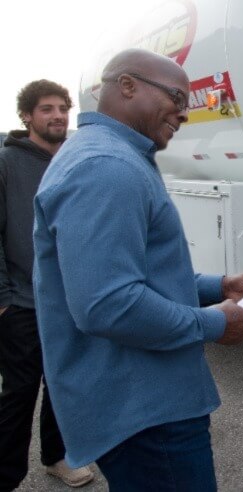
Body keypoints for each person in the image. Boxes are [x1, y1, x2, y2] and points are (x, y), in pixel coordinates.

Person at [32, 49, 243, 491]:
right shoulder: (105, 167)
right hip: (145, 409)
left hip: (141, 401)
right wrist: (214, 323)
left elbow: (137, 276)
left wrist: (218, 286)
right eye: (177, 98)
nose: (184, 113)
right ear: (127, 86)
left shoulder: (109, 155)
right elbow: (107, 304)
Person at [0, 80, 95, 490]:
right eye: (46, 109)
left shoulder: (74, 160)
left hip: (69, 301)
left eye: (62, 108)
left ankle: (57, 457)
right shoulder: (6, 162)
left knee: (63, 384)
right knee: (19, 394)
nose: (57, 115)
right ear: (26, 115)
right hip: (21, 302)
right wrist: (3, 299)